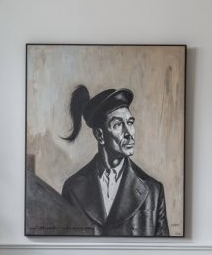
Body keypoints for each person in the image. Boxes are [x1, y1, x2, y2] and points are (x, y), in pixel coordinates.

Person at [60, 85, 169, 237]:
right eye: (118, 125)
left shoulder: (153, 191)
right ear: (100, 135)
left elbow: (162, 254)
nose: (129, 133)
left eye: (130, 122)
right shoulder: (72, 188)